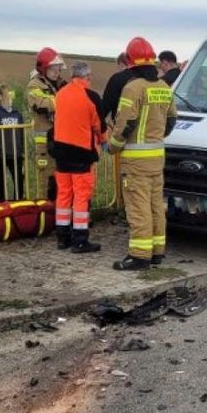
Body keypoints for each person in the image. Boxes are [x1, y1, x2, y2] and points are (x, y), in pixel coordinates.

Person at [105, 37, 177, 270]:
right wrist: (156, 139)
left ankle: (139, 255)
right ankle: (157, 251)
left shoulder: (132, 88)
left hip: (136, 161)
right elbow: (172, 119)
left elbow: (124, 123)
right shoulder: (164, 87)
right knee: (156, 205)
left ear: (131, 62)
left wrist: (112, 146)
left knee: (138, 207)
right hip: (157, 158)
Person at [52, 62, 107, 253]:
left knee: (64, 195)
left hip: (60, 152)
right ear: (88, 76)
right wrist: (104, 141)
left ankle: (62, 238)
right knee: (81, 196)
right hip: (82, 153)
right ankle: (80, 240)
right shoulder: (90, 97)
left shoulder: (60, 94)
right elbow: (99, 126)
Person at [26, 47, 67, 200]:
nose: (57, 72)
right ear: (44, 68)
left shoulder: (61, 84)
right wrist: (64, 102)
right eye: (53, 68)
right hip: (45, 145)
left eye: (58, 68)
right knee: (48, 183)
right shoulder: (34, 85)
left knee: (63, 182)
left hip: (62, 140)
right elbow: (41, 105)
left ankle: (60, 217)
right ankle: (47, 217)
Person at [0, 85, 25, 200]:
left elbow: (21, 132)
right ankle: (2, 204)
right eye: (7, 95)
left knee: (19, 180)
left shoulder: (17, 114)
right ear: (0, 97)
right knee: (0, 181)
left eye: (11, 95)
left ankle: (18, 203)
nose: (10, 98)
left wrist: (21, 149)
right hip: (1, 155)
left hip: (16, 155)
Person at [100, 51, 137, 126]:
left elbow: (107, 103)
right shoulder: (144, 78)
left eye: (118, 65)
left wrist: (99, 119)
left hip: (121, 124)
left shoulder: (117, 78)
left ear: (121, 63)